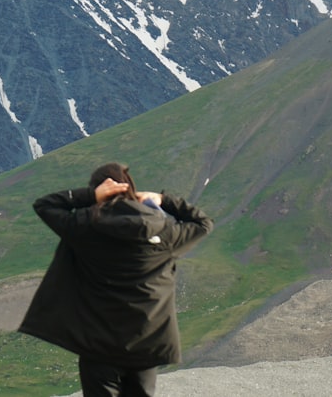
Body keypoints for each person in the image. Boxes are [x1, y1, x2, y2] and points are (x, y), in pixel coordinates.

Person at [19, 162, 214, 397]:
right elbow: (203, 223)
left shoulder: (84, 226)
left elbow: (45, 205)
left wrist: (90, 195)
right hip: (147, 342)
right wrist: (164, 199)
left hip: (98, 344)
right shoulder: (164, 232)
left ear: (101, 191)